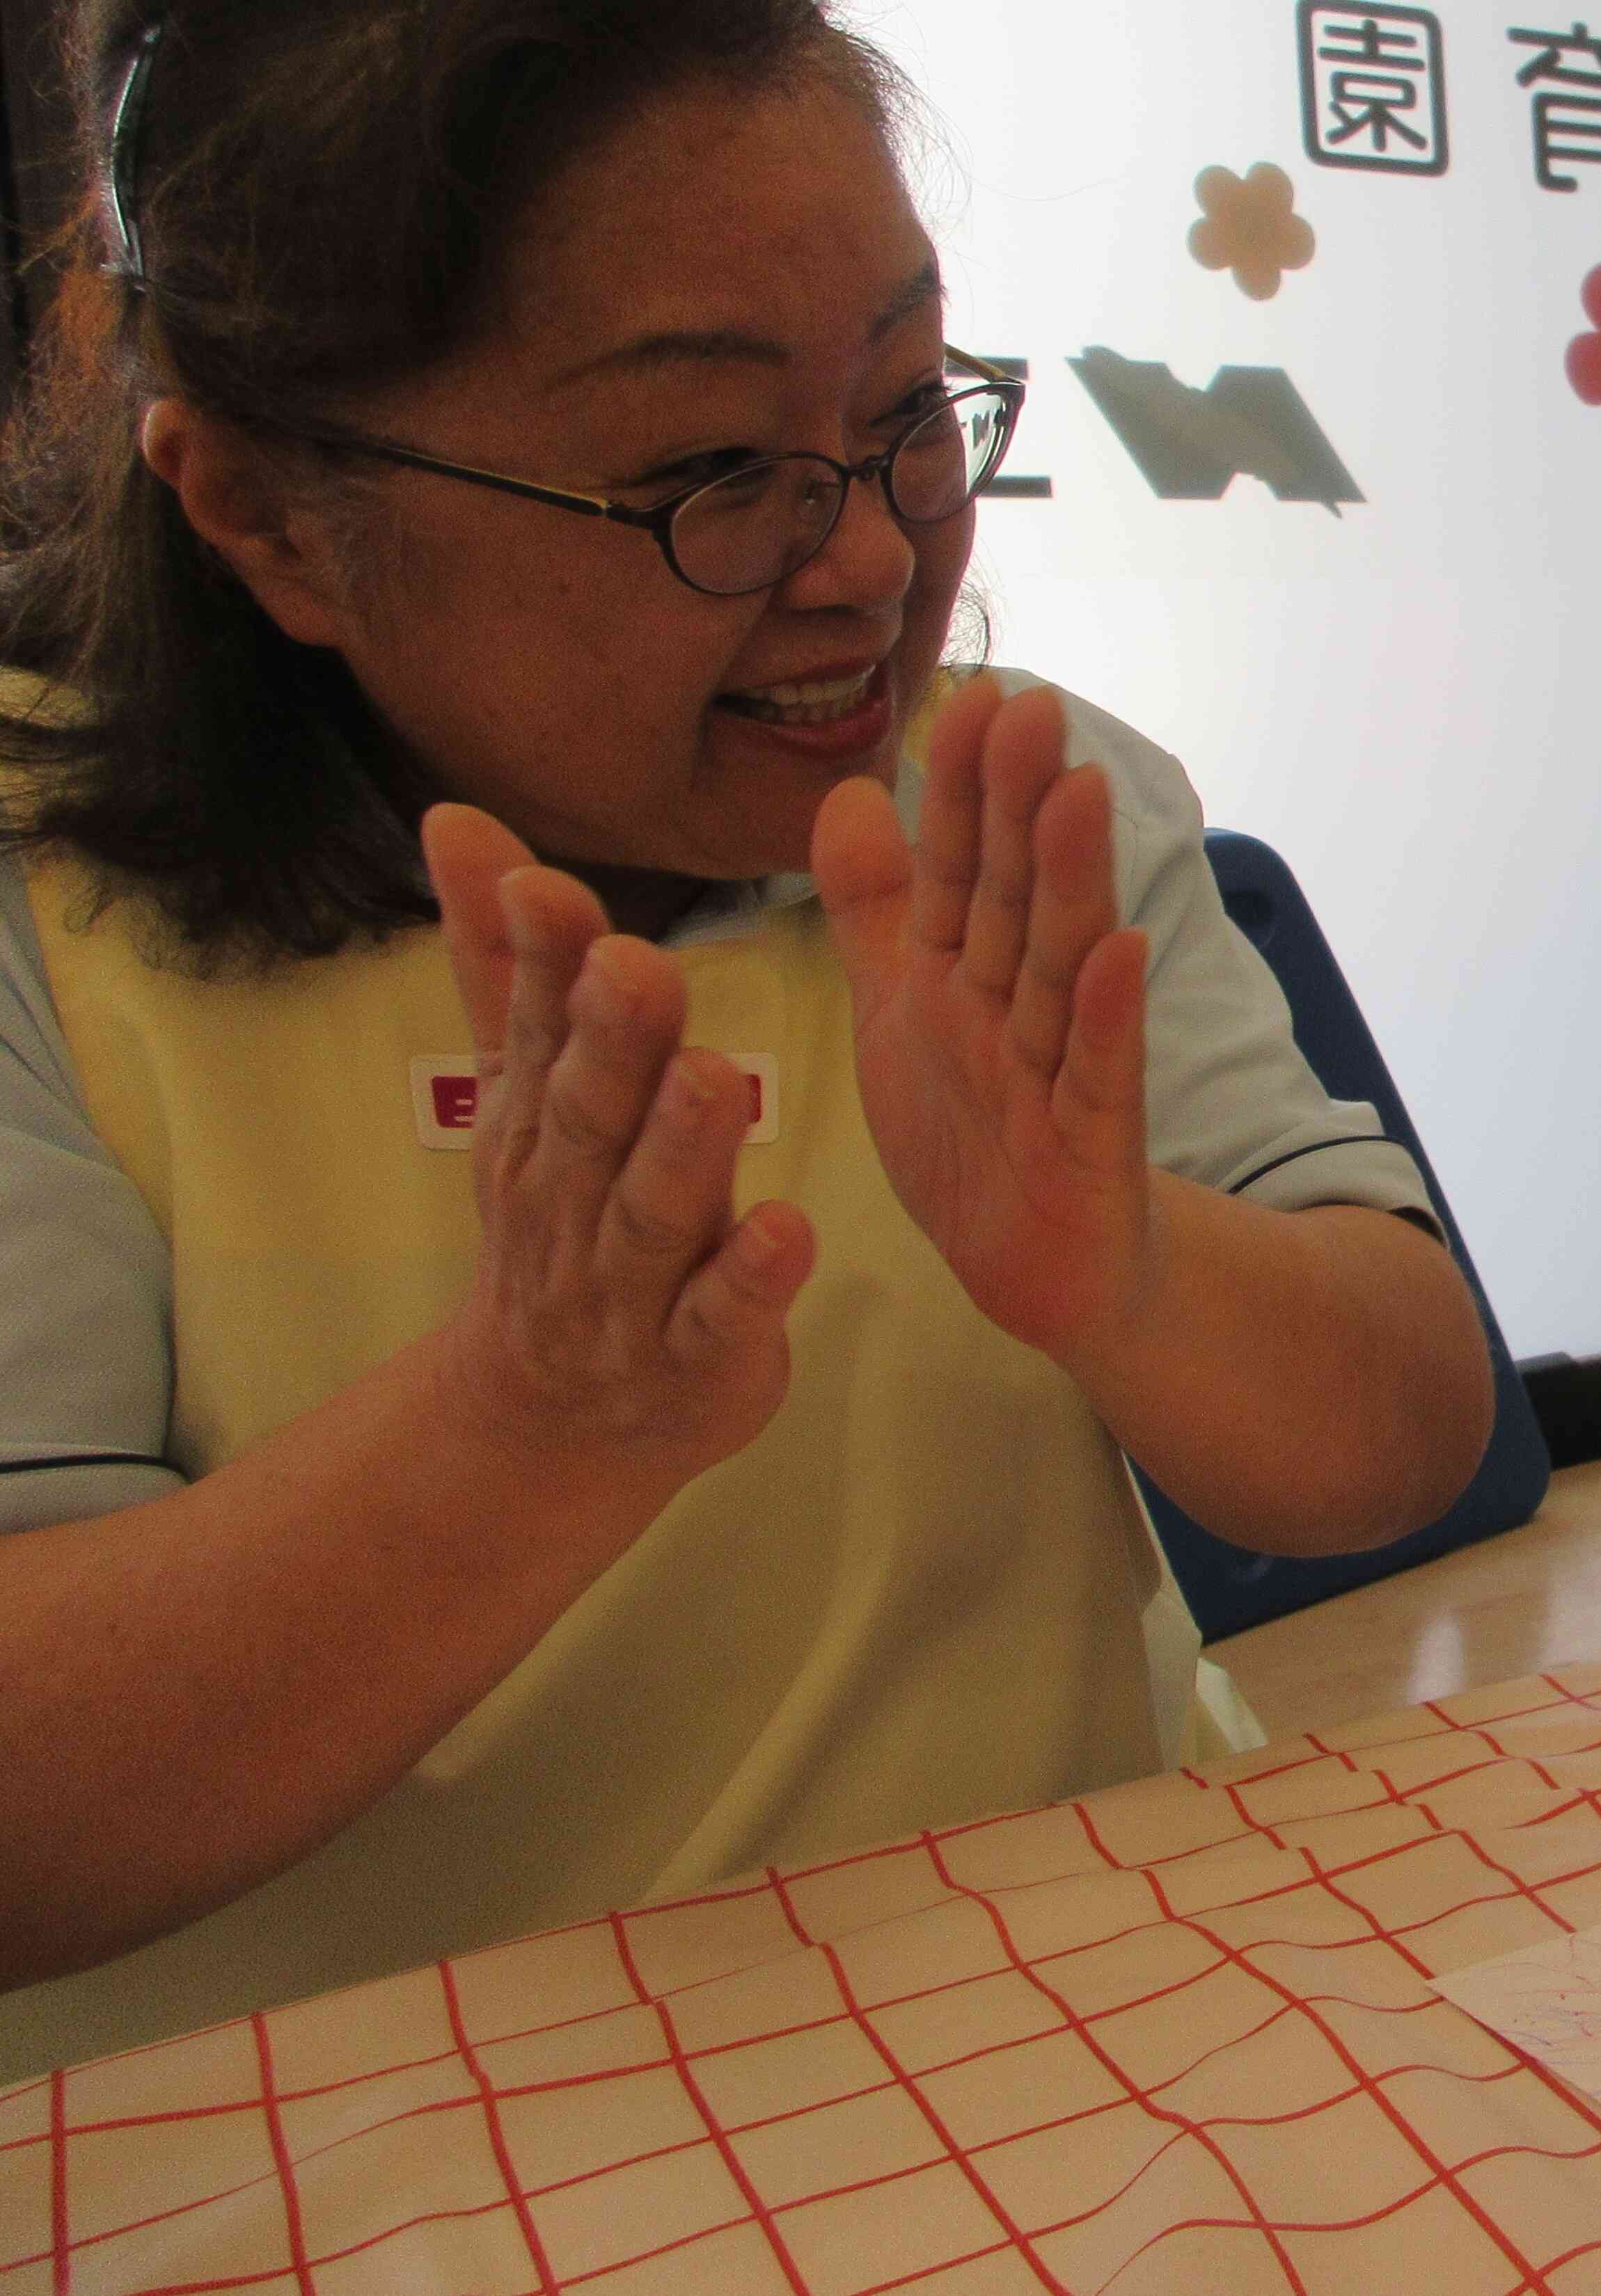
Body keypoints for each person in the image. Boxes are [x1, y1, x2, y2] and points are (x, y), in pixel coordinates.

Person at [0, 0, 1495, 2081]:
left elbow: (1409, 1429)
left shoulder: (1014, 806)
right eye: (708, 472)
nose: (871, 559)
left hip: (1054, 2055)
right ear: (265, 515)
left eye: (904, 409)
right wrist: (528, 1424)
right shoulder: (46, 906)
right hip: (348, 2158)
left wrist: (1125, 1273)